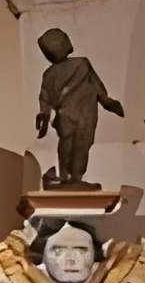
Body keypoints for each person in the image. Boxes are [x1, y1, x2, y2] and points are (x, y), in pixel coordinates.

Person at [33, 28, 125, 188]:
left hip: (77, 115)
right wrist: (106, 101)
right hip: (79, 116)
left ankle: (73, 178)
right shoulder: (78, 65)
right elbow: (97, 86)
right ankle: (69, 178)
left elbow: (44, 98)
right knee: (75, 145)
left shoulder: (53, 73)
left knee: (74, 146)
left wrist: (44, 115)